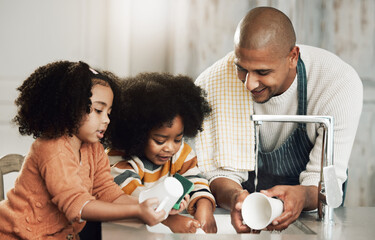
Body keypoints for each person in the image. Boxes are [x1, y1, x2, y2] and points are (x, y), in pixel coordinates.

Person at [194, 6, 363, 233]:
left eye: (262, 72)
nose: (249, 84)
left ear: (293, 57)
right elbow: (219, 173)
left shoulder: (338, 83)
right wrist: (236, 197)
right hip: (243, 218)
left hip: (312, 219)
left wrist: (302, 196)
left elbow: (325, 182)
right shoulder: (212, 84)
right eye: (241, 68)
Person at [0, 61, 165, 239]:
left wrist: (149, 205)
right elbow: (78, 205)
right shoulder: (53, 149)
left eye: (109, 112)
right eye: (98, 110)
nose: (107, 119)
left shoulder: (94, 149)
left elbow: (108, 193)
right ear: (69, 106)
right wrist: (137, 210)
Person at [109, 72, 217, 233]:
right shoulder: (118, 158)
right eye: (160, 141)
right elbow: (132, 195)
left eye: (178, 139)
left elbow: (195, 180)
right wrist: (171, 218)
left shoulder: (181, 154)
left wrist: (204, 205)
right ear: (138, 133)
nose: (170, 148)